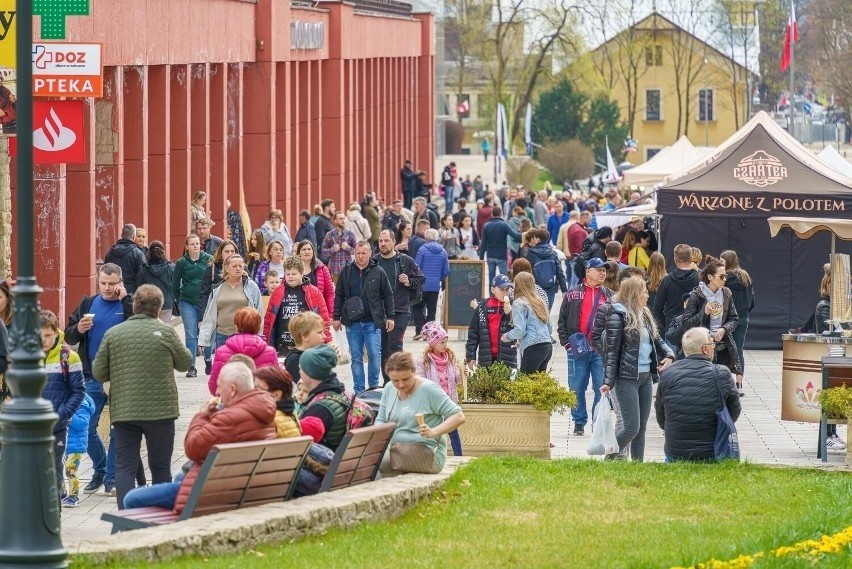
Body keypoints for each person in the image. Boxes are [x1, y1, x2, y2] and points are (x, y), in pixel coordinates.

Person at [122, 362, 276, 510]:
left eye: (220, 386)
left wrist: (201, 416)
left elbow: (192, 448)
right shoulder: (263, 410)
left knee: (131, 498)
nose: (217, 392)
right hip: (241, 486)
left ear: (233, 389)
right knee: (179, 478)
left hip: (212, 493)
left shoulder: (232, 418)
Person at [92, 285, 193, 509]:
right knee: (160, 467)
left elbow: (98, 371)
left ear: (135, 305)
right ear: (158, 309)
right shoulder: (166, 332)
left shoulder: (114, 334)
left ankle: (127, 515)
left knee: (125, 466)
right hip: (161, 411)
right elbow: (186, 362)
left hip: (125, 410)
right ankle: (160, 515)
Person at [64, 263, 135, 495]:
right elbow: (69, 334)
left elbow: (139, 324)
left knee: (118, 429)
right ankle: (101, 468)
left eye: (112, 283)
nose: (106, 288)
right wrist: (79, 329)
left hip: (121, 375)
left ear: (120, 282)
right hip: (92, 376)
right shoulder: (88, 303)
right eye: (103, 283)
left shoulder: (128, 304)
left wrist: (126, 299)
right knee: (87, 426)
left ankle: (112, 479)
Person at [598, 277, 674, 461]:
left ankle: (637, 466)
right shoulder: (618, 316)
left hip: (645, 377)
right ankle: (608, 459)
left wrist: (670, 355)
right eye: (644, 292)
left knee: (641, 427)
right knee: (631, 427)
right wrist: (608, 382)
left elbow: (657, 340)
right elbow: (611, 353)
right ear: (634, 294)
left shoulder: (644, 314)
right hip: (626, 378)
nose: (647, 295)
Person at [655, 327, 741, 462]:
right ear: (705, 349)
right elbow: (734, 410)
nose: (714, 348)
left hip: (676, 452)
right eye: (712, 344)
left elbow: (661, 415)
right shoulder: (721, 373)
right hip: (714, 451)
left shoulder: (668, 374)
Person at [377, 352, 466, 474]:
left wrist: (434, 432)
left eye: (405, 379)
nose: (401, 385)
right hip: (396, 450)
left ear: (414, 371)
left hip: (426, 453)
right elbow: (380, 420)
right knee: (366, 467)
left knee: (379, 468)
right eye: (395, 381)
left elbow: (458, 416)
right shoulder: (388, 388)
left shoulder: (429, 389)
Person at [557, 257, 613, 436]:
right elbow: (562, 321)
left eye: (604, 270)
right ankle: (579, 421)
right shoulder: (573, 293)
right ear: (588, 271)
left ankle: (597, 422)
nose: (603, 272)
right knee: (576, 387)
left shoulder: (609, 295)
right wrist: (566, 343)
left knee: (601, 388)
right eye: (599, 269)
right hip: (578, 349)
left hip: (600, 350)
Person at [333, 241, 395, 392]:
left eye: (364, 253)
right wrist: (336, 316)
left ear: (370, 254)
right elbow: (339, 294)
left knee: (374, 355)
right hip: (352, 323)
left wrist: (391, 316)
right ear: (354, 253)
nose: (361, 256)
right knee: (356, 358)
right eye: (358, 253)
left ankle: (373, 388)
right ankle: (359, 391)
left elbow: (387, 295)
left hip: (372, 322)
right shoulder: (347, 271)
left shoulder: (378, 271)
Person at [40, 310, 86, 499]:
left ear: (55, 332)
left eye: (48, 335)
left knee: (54, 472)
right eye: (39, 335)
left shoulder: (68, 357)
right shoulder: (26, 355)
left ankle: (54, 516)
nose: (43, 340)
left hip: (56, 425)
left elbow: (78, 391)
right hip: (31, 425)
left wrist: (63, 414)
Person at [680, 256, 743, 392]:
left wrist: (724, 329)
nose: (725, 279)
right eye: (721, 276)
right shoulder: (696, 295)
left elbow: (734, 318)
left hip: (722, 346)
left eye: (725, 276)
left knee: (720, 386)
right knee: (704, 387)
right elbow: (686, 324)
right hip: (702, 348)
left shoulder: (726, 293)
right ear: (710, 277)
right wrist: (704, 312)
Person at [375, 229, 425, 382]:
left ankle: (397, 380)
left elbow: (421, 278)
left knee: (394, 346)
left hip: (400, 310)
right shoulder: (374, 261)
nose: (383, 244)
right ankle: (386, 381)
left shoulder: (404, 260)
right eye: (381, 241)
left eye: (386, 241)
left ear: (394, 242)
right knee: (382, 349)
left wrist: (409, 281)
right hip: (380, 312)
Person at [262, 255, 331, 356]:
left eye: (294, 274)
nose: (290, 277)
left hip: (307, 346)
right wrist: (266, 343)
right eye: (287, 274)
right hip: (283, 346)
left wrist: (326, 340)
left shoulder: (314, 292)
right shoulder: (278, 292)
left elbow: (324, 318)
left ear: (302, 273)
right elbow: (269, 319)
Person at [417, 322, 465, 456]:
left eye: (446, 341)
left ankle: (459, 457)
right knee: (435, 431)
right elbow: (419, 382)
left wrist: (462, 374)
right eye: (441, 342)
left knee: (453, 431)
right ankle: (432, 457)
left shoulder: (450, 358)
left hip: (448, 401)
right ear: (433, 343)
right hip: (433, 403)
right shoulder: (423, 361)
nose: (445, 345)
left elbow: (456, 378)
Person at [209, 307, 278, 395]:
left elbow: (214, 386)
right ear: (258, 327)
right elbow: (276, 383)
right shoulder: (270, 352)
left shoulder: (221, 352)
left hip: (231, 401)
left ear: (236, 327)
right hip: (261, 401)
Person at [200, 254, 263, 350]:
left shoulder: (251, 286)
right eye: (234, 266)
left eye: (240, 266)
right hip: (222, 335)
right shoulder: (217, 288)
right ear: (226, 268)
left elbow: (259, 313)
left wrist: (258, 336)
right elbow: (209, 316)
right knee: (224, 363)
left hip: (245, 336)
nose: (238, 269)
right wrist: (202, 340)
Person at [173, 234, 214, 378]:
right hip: (187, 302)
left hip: (206, 302)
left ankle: (208, 359)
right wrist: (179, 300)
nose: (195, 246)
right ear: (187, 247)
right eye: (192, 244)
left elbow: (213, 279)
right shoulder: (182, 262)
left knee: (206, 331)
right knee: (191, 335)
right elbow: (175, 283)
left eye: (197, 243)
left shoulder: (208, 259)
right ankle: (191, 366)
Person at [298, 345, 351, 451]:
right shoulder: (340, 392)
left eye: (301, 369)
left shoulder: (320, 408)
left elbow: (300, 446)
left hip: (321, 464)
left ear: (309, 372)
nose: (299, 372)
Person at [503, 273, 553, 373]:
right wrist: (522, 341)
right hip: (547, 346)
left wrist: (507, 336)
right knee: (539, 383)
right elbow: (549, 327)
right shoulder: (540, 301)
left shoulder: (519, 303)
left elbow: (520, 330)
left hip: (533, 348)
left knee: (526, 382)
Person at [466, 275, 517, 369]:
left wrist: (510, 313)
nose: (505, 292)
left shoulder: (514, 304)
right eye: (502, 289)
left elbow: (520, 328)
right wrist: (470, 356)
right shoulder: (483, 306)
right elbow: (473, 333)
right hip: (486, 356)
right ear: (493, 290)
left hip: (507, 356)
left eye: (507, 289)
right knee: (487, 383)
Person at [721, 249, 755, 381]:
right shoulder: (746, 277)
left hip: (727, 320)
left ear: (728, 262)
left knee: (723, 350)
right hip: (743, 317)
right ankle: (739, 383)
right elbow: (753, 300)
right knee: (738, 350)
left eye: (722, 260)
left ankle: (724, 381)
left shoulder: (724, 279)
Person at [652, 243, 700, 334]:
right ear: (691, 259)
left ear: (675, 259)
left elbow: (657, 309)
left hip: (672, 329)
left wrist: (666, 327)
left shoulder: (667, 280)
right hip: (694, 330)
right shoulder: (700, 280)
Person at [413, 229, 450, 339]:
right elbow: (446, 270)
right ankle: (429, 334)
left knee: (418, 307)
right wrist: (439, 279)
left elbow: (416, 267)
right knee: (432, 309)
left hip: (422, 285)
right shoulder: (443, 251)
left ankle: (419, 330)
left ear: (426, 238)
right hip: (434, 286)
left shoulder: (422, 250)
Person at [63, 392, 95, 508]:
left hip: (76, 445)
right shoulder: (64, 399)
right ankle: (62, 494)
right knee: (58, 469)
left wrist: (68, 415)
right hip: (63, 443)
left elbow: (82, 423)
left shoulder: (82, 403)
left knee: (71, 471)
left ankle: (74, 496)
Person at [523, 228, 567, 309]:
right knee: (547, 313)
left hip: (536, 288)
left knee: (537, 314)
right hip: (551, 287)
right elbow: (559, 272)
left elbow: (526, 272)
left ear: (538, 239)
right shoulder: (553, 253)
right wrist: (564, 290)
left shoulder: (531, 253)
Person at [254, 365, 301, 439]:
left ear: (276, 395)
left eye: (258, 388)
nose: (253, 392)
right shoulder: (290, 411)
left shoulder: (269, 420)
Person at [479, 206, 521, 284]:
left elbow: (483, 244)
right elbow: (514, 235)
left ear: (492, 214)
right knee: (504, 279)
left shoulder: (486, 225)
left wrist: (481, 259)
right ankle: (504, 295)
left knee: (491, 279)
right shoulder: (504, 225)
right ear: (501, 213)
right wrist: (523, 235)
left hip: (490, 255)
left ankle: (492, 294)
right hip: (501, 255)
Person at [136, 240, 175, 322]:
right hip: (166, 303)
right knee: (164, 330)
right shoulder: (171, 268)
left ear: (149, 252)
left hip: (148, 305)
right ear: (163, 251)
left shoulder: (143, 269)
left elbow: (139, 287)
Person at [199, 239, 239, 320]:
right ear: (221, 253)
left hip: (238, 312)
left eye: (232, 251)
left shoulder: (242, 268)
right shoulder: (212, 268)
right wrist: (202, 318)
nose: (230, 254)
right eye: (227, 251)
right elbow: (204, 294)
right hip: (217, 313)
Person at [284, 311, 326, 386]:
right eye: (320, 332)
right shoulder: (294, 360)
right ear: (305, 337)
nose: (324, 336)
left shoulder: (315, 354)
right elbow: (310, 387)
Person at [104, 224, 147, 294]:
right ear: (134, 236)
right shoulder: (138, 254)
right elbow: (143, 276)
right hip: (131, 294)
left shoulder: (110, 253)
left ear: (121, 235)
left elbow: (105, 273)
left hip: (113, 292)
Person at [296, 240, 336, 316]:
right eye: (304, 249)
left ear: (313, 251)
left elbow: (330, 293)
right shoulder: (293, 269)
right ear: (298, 253)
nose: (307, 252)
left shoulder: (322, 268)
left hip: (317, 312)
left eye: (309, 249)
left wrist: (331, 314)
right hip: (297, 311)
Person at [321, 211, 357, 283]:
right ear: (335, 221)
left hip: (348, 269)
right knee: (337, 292)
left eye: (344, 218)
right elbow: (323, 251)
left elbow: (356, 251)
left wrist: (347, 247)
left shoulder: (350, 234)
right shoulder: (329, 235)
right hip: (335, 270)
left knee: (347, 292)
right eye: (340, 218)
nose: (343, 220)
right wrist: (332, 249)